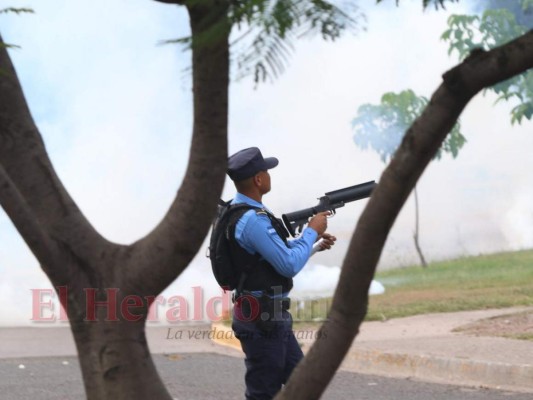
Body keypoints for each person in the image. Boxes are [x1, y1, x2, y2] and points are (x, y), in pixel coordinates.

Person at [225, 147, 336, 400]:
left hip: (270, 316)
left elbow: (276, 258)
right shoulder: (252, 220)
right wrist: (311, 231)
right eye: (266, 170)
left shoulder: (245, 212)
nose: (269, 174)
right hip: (261, 319)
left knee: (303, 384)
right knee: (263, 393)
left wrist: (313, 245)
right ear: (259, 179)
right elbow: (287, 265)